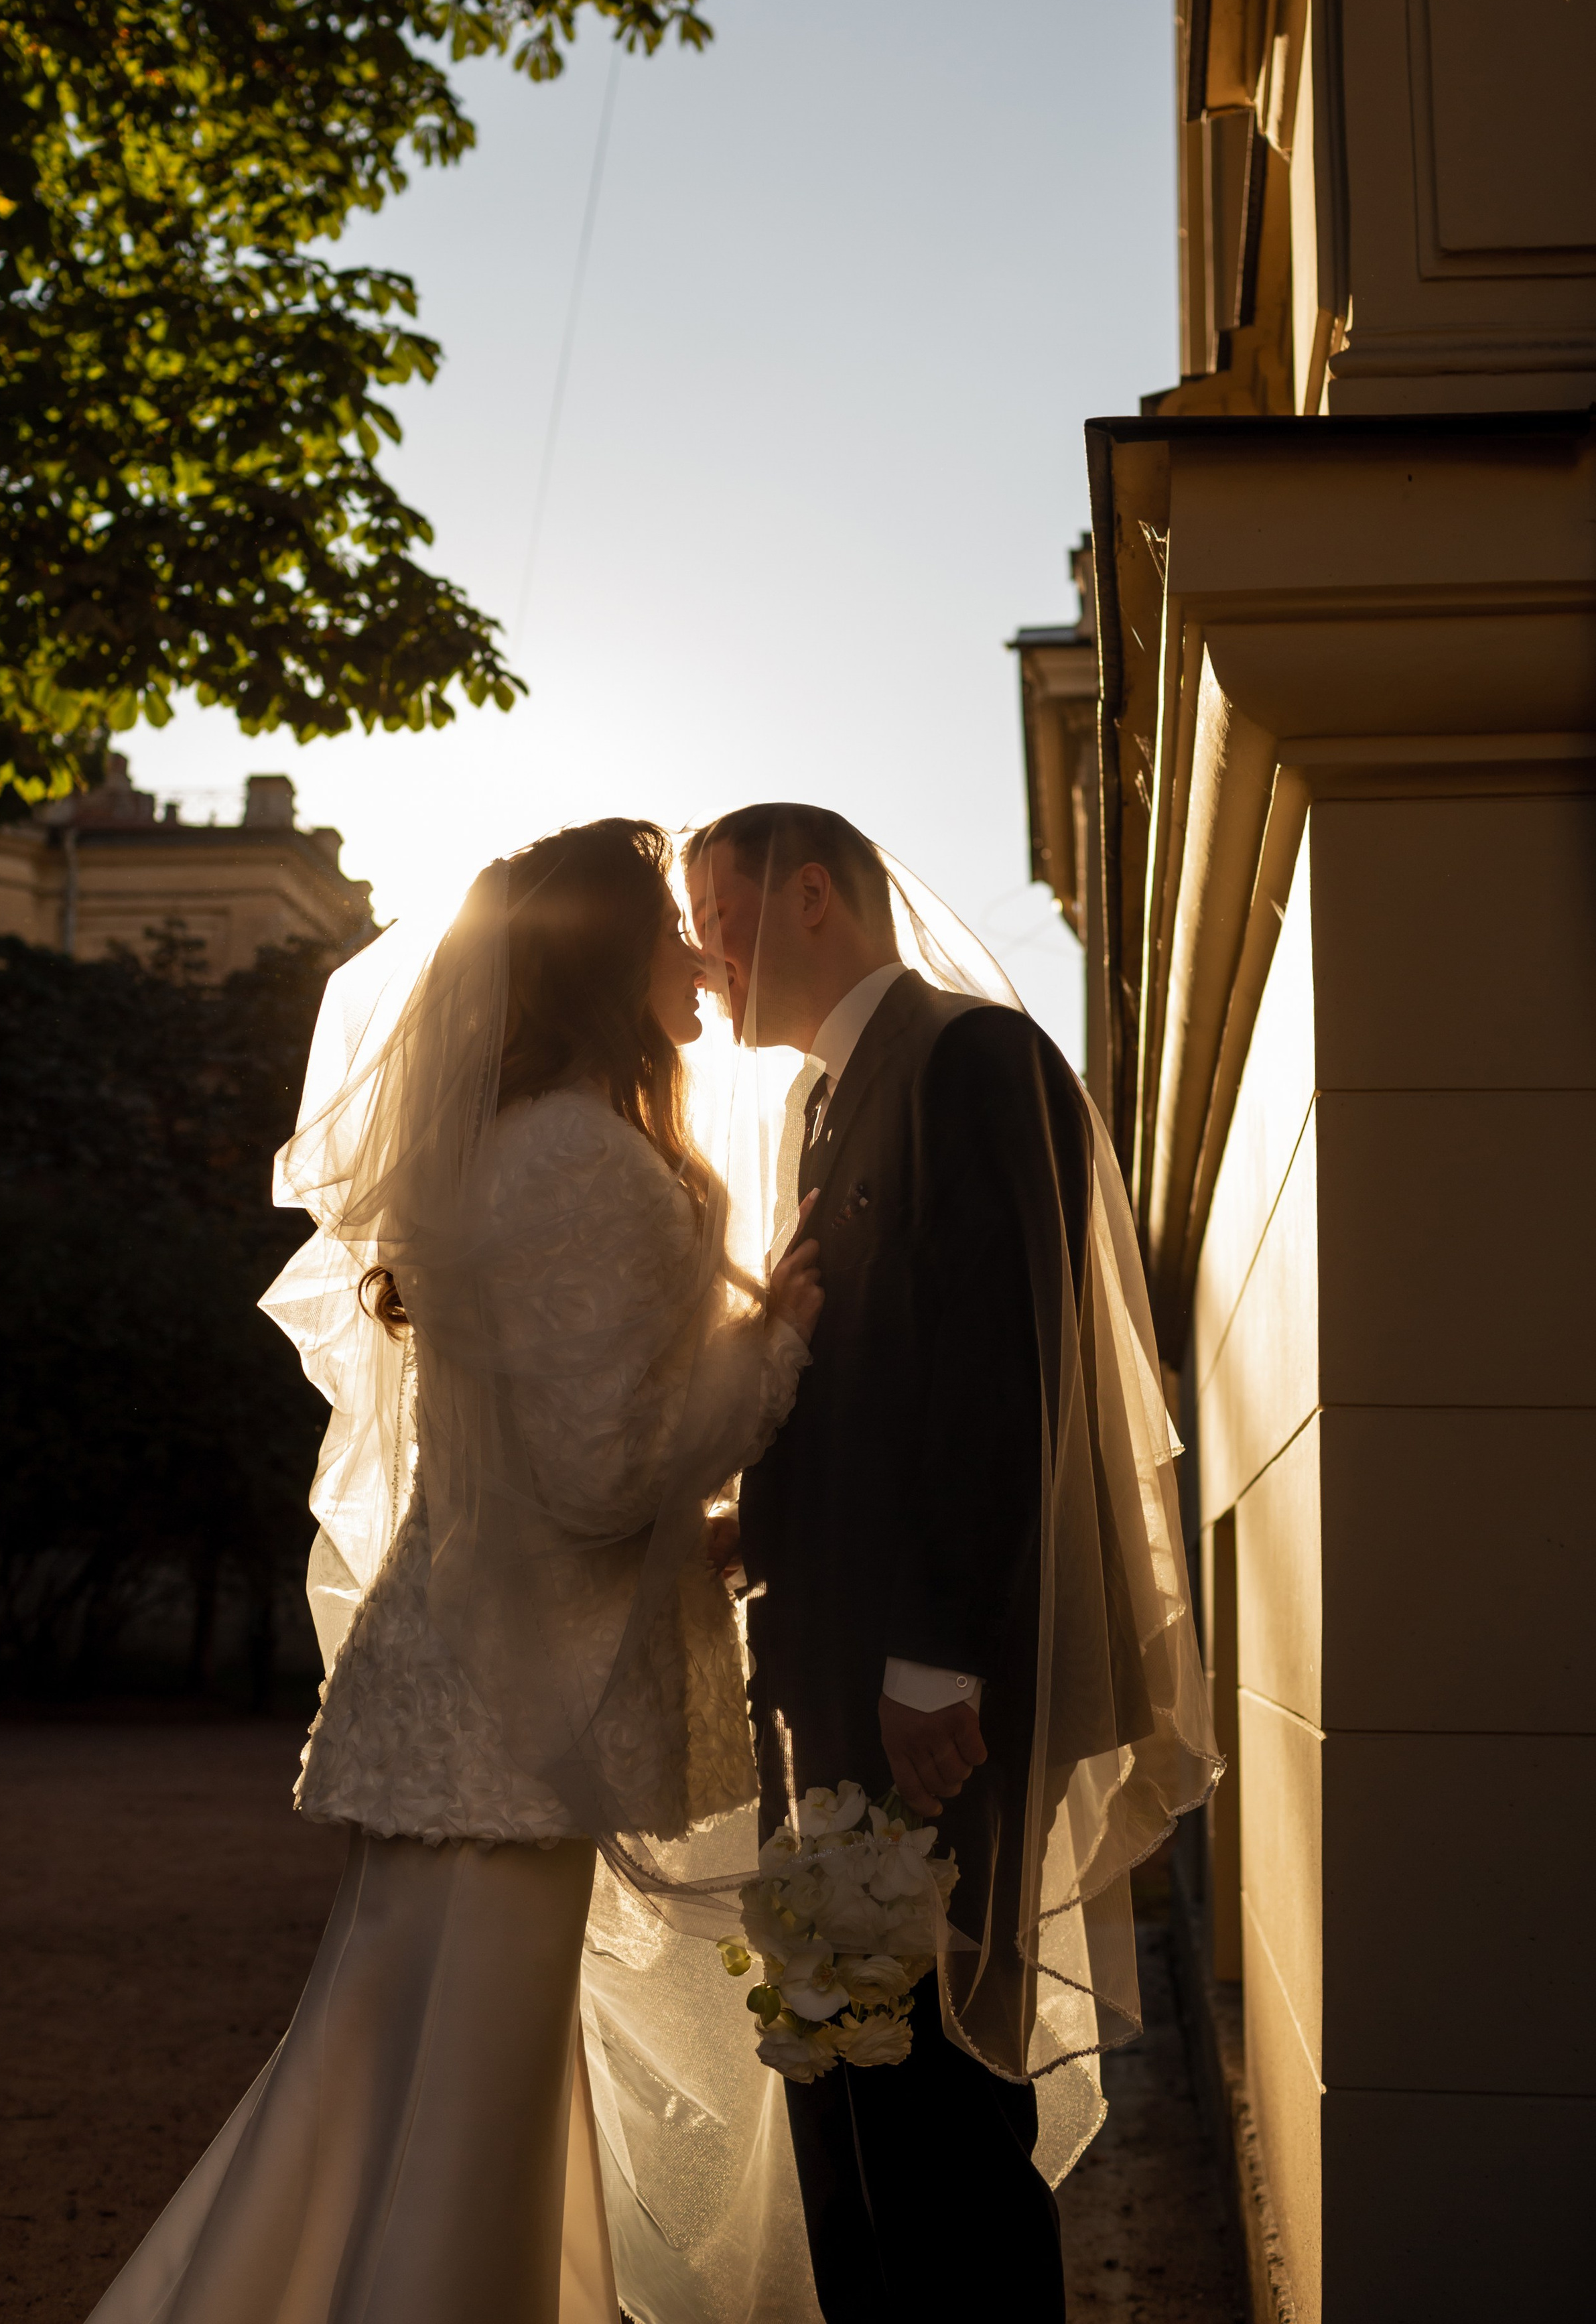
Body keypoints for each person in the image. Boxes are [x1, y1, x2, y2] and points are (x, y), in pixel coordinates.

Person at [84, 818, 823, 2324]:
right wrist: (779, 1342)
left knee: (385, 2058)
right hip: (516, 1721)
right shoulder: (594, 1166)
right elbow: (602, 1471)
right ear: (610, 957)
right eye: (669, 931)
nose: (698, 954)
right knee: (462, 2080)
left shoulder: (497, 1148)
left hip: (453, 1690)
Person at [685, 804, 1222, 2324]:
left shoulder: (973, 1062)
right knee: (845, 2089)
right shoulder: (821, 1106)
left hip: (927, 1696)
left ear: (807, 896)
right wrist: (750, 1530)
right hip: (824, 1677)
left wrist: (935, 1659)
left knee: (936, 2102)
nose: (699, 954)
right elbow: (858, 1395)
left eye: (711, 912)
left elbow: (1001, 1377)